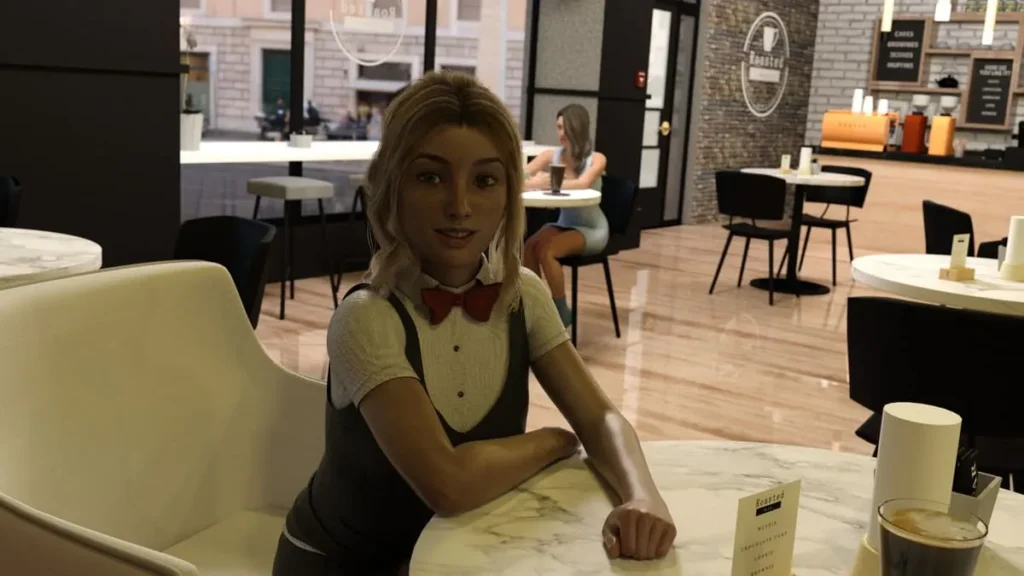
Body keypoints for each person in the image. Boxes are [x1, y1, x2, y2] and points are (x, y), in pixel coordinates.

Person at [273, 72, 676, 575]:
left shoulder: (523, 294)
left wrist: (643, 497)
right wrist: (554, 440)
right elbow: (449, 484)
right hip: (344, 566)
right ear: (392, 186)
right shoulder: (366, 317)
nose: (459, 206)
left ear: (508, 194)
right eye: (431, 177)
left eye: (484, 181)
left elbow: (601, 419)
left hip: (463, 559)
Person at [523, 104, 609, 326]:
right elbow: (519, 176)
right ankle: (538, 307)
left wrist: (546, 182)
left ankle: (561, 312)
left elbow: (583, 183)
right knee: (528, 247)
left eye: (565, 128)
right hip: (565, 223)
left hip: (592, 229)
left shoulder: (597, 159)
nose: (561, 133)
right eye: (558, 127)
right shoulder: (550, 155)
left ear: (578, 128)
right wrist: (532, 182)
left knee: (547, 250)